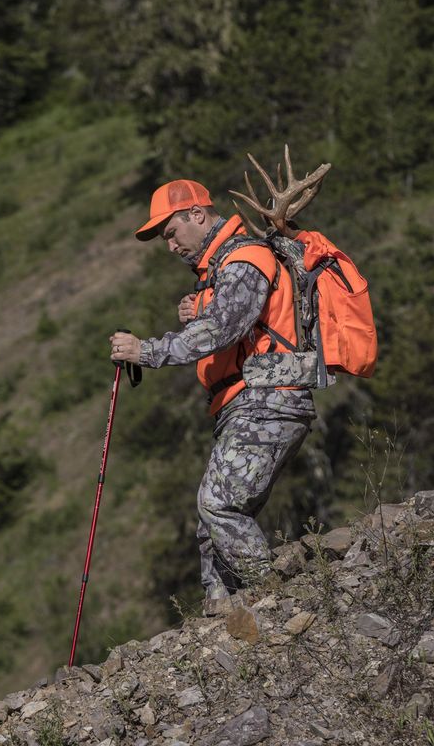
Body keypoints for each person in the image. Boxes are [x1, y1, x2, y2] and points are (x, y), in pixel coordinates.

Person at [108, 178, 314, 615]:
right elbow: (229, 318)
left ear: (196, 215)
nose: (170, 246)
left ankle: (278, 604)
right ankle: (220, 619)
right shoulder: (223, 270)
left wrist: (146, 351)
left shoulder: (244, 259)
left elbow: (222, 329)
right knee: (213, 525)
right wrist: (199, 303)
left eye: (171, 232)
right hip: (248, 404)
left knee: (218, 504)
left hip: (267, 400)